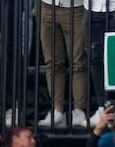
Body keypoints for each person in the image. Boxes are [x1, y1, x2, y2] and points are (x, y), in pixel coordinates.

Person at [38, 0, 89, 129]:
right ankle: (57, 111)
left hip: (76, 7)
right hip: (47, 6)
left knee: (78, 62)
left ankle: (79, 110)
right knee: (53, 62)